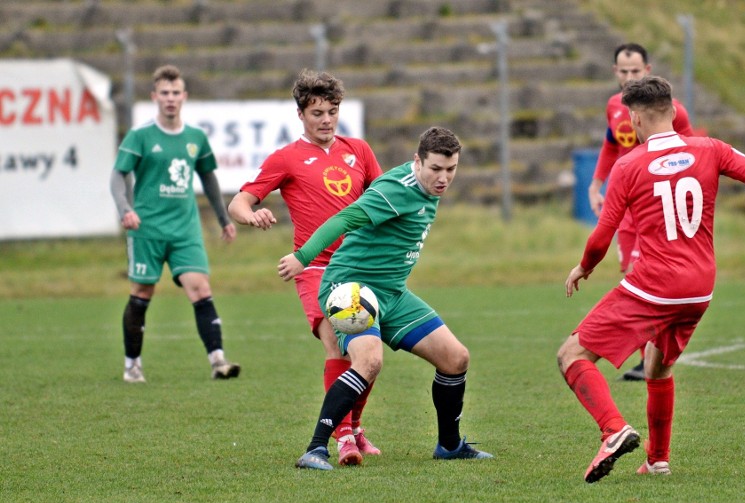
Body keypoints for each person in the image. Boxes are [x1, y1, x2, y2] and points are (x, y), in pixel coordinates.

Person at [558, 76, 745, 483]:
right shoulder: (711, 148)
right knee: (658, 366)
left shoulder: (628, 165)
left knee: (572, 355)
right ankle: (658, 460)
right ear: (673, 109)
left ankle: (613, 430)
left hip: (655, 286)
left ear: (634, 118)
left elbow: (602, 233)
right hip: (700, 289)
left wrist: (585, 267)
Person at [277, 126, 494, 470]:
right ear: (417, 161)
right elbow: (345, 218)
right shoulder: (396, 189)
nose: (443, 178)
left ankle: (450, 446)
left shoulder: (428, 189)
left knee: (456, 359)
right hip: (351, 288)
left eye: (451, 169)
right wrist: (302, 257)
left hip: (392, 293)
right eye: (435, 169)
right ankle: (315, 449)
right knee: (369, 361)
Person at [228, 70, 384, 466]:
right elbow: (239, 203)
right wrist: (252, 216)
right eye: (317, 113)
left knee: (368, 355)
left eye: (332, 111)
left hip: (357, 268)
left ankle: (356, 426)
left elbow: (382, 202)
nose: (327, 120)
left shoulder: (359, 150)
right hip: (314, 269)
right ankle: (343, 437)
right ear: (301, 114)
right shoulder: (286, 158)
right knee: (337, 342)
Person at [110, 64, 240, 383]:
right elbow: (118, 175)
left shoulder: (195, 137)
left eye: (175, 93)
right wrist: (125, 208)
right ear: (155, 96)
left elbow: (208, 179)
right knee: (142, 292)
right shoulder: (140, 136)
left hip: (185, 230)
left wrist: (224, 219)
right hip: (147, 229)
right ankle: (132, 364)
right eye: (164, 93)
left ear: (184, 96)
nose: (170, 99)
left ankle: (218, 361)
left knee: (201, 288)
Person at [588, 42, 695, 381]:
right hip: (625, 205)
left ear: (647, 70)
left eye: (636, 71)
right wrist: (596, 185)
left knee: (643, 268)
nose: (630, 76)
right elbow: (611, 145)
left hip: (656, 205)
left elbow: (692, 154)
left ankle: (652, 356)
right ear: (615, 72)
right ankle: (645, 356)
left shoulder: (672, 111)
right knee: (629, 271)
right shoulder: (614, 106)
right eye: (624, 71)